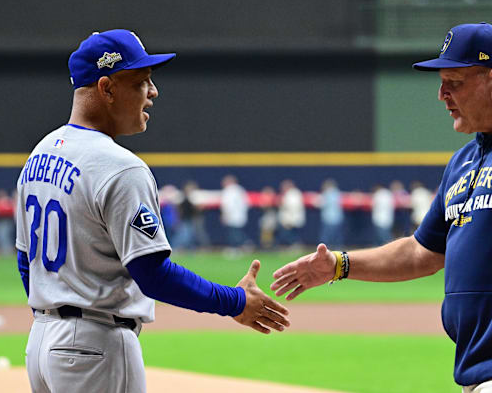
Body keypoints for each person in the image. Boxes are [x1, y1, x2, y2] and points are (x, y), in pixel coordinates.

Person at [271, 23, 492, 393]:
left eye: (454, 82)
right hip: (483, 365)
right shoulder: (467, 158)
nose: (442, 94)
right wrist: (339, 265)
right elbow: (421, 252)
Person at [15, 29, 289, 393]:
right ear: (106, 89)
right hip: (96, 346)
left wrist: (54, 311)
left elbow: (25, 262)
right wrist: (235, 301)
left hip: (42, 344)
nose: (153, 92)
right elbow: (153, 274)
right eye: (141, 81)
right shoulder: (120, 167)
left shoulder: (40, 153)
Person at [220, 174, 250, 255]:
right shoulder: (240, 189)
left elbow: (227, 205)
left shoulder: (228, 191)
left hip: (232, 216)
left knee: (234, 233)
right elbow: (247, 203)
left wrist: (225, 215)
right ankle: (244, 245)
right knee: (237, 232)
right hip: (240, 215)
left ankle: (236, 248)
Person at [277, 179, 306, 247]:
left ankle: (296, 245)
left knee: (289, 234)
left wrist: (289, 220)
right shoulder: (288, 194)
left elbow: (292, 207)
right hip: (289, 219)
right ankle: (294, 245)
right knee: (288, 234)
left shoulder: (293, 194)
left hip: (292, 219)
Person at [318, 178, 344, 247]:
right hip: (338, 218)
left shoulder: (327, 194)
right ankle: (338, 251)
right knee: (337, 237)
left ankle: (325, 250)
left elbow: (321, 203)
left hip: (329, 218)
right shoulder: (338, 193)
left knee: (326, 237)